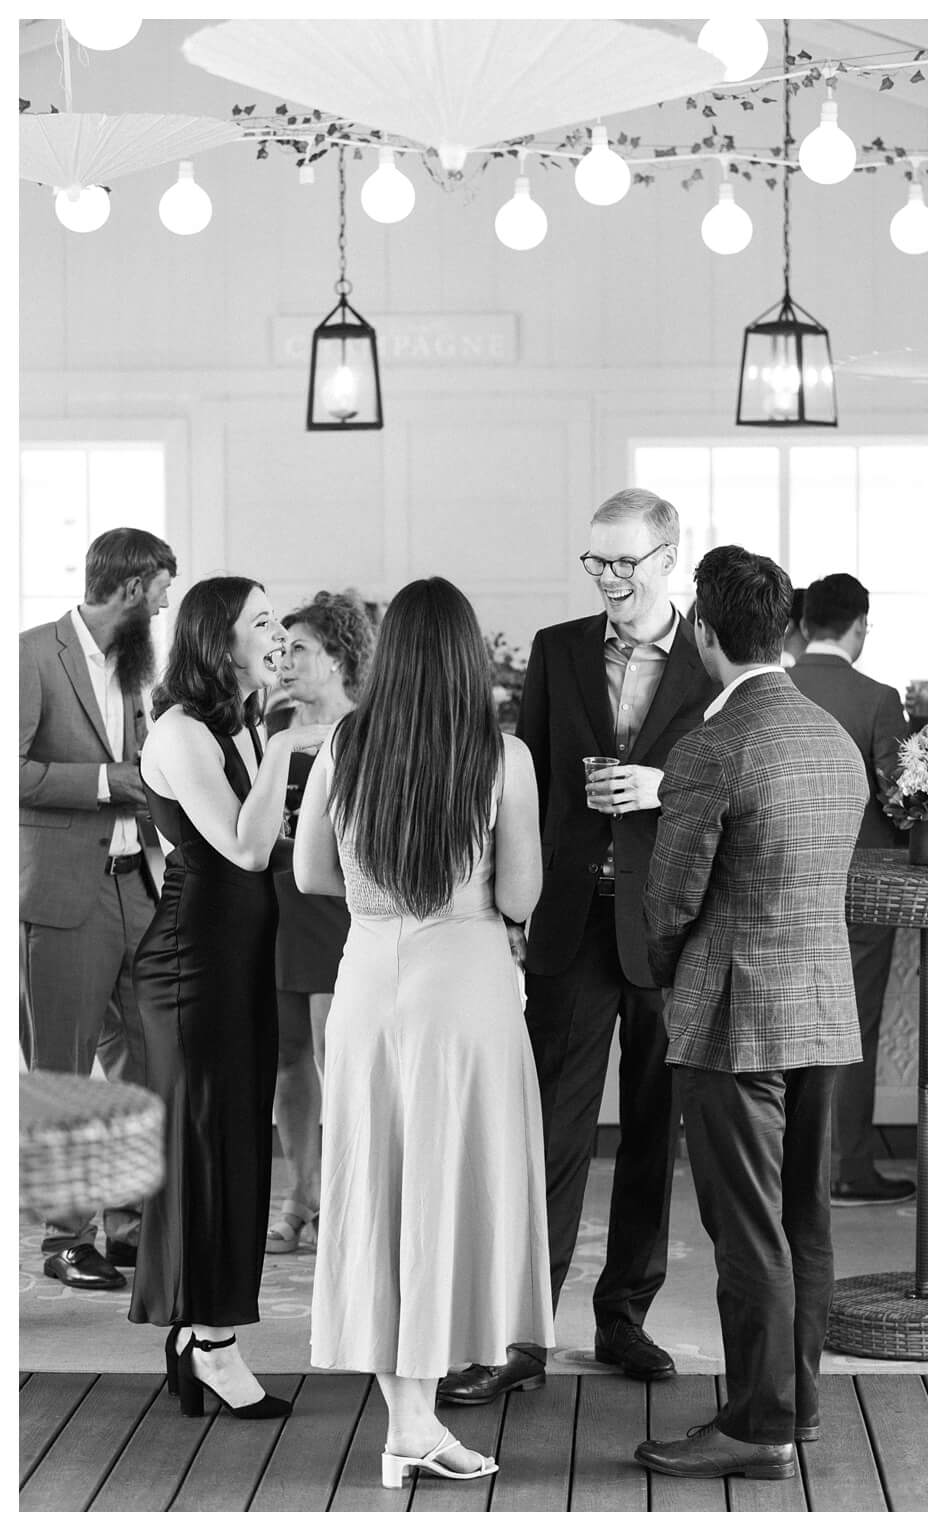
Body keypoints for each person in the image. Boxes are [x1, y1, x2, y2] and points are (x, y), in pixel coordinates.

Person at [440, 488, 716, 1408]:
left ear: (669, 556)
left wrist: (661, 785)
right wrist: (510, 907)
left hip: (672, 925)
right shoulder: (559, 649)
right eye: (595, 562)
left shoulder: (712, 659)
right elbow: (528, 785)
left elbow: (731, 781)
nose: (607, 580)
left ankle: (622, 1317)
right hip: (568, 920)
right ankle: (525, 1330)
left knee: (651, 1130)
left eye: (625, 563)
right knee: (549, 1132)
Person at [298, 576, 552, 1487]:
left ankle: (411, 1420)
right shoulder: (503, 758)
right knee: (448, 1193)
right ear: (467, 660)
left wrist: (382, 909)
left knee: (377, 1192)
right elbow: (522, 896)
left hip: (370, 984)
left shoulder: (343, 744)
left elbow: (310, 873)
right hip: (469, 991)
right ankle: (414, 1421)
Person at [633, 546, 868, 1483]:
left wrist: (663, 975)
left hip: (733, 1017)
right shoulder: (831, 737)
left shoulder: (710, 746)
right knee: (803, 1219)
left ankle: (756, 1423)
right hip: (822, 1007)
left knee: (747, 1232)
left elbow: (670, 903)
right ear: (784, 630)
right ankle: (796, 1405)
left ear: (702, 631)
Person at [131, 576, 332, 1419]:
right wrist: (291, 743)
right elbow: (244, 851)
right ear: (220, 640)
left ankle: (195, 1331)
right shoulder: (180, 731)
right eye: (261, 622)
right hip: (194, 965)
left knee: (236, 1143)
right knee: (212, 1146)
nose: (278, 633)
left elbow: (272, 842)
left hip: (240, 955)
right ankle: (211, 1341)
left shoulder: (238, 724)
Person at [19, 527, 177, 1291]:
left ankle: (128, 1225)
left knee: (143, 1061)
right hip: (64, 895)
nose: (168, 603)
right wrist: (104, 781)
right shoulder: (28, 654)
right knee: (61, 1068)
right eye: (163, 589)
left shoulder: (140, 667)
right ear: (132, 585)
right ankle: (62, 1239)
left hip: (137, 887)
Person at [785, 573, 915, 1206]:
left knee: (782, 1023)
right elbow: (902, 801)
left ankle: (788, 1168)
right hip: (858, 888)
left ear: (806, 624)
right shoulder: (878, 698)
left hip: (775, 888)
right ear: (860, 626)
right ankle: (847, 1167)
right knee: (851, 1026)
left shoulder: (769, 689)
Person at [265, 591, 375, 1257]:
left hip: (340, 907)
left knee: (340, 1059)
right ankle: (297, 1194)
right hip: (276, 905)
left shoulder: (368, 733)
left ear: (335, 657)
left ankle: (347, 1197)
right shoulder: (269, 724)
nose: (282, 660)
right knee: (285, 1061)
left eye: (298, 648)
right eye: (279, 648)